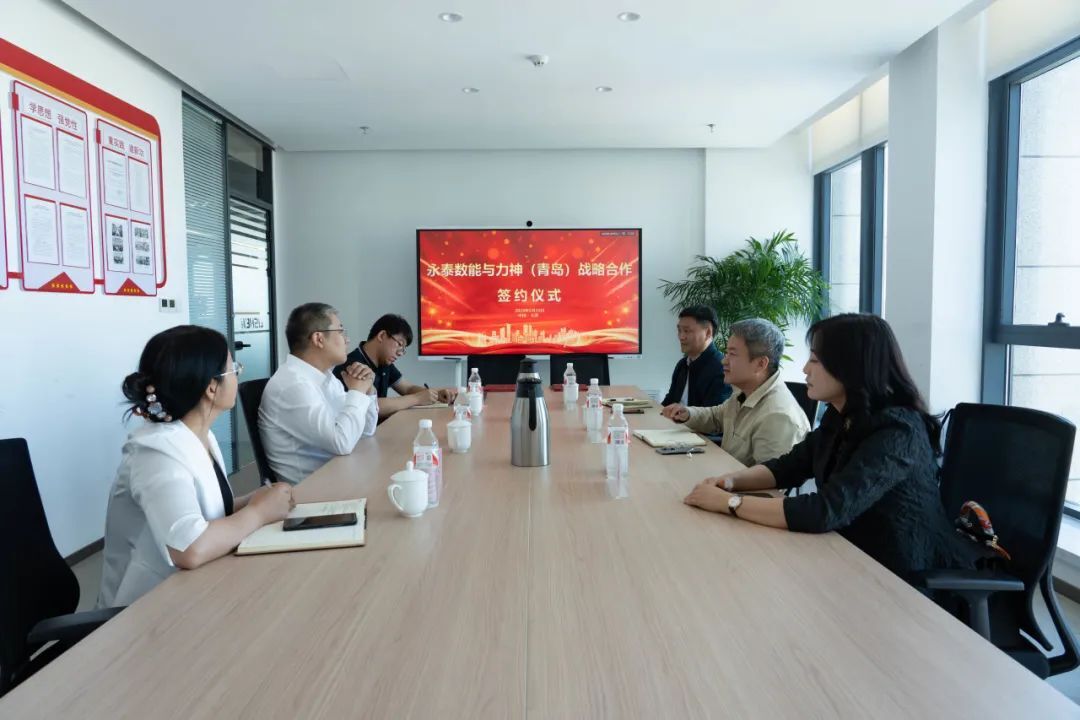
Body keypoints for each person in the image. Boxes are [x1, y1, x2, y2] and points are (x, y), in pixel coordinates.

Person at [683, 313, 976, 581]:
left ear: (850, 367)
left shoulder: (897, 431)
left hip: (901, 576)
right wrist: (729, 482)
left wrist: (729, 503)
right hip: (846, 556)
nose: (804, 369)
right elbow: (788, 467)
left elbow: (826, 509)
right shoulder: (841, 415)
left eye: (815, 360)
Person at [99, 326, 294, 607]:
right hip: (145, 610)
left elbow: (204, 509)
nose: (238, 375)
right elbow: (189, 548)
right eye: (234, 369)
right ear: (212, 387)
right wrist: (259, 513)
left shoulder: (198, 435)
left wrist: (255, 500)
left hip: (194, 589)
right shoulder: (156, 453)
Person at [260, 303, 379, 485]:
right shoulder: (293, 385)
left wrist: (368, 390)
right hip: (314, 493)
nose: (347, 340)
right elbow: (342, 442)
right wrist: (357, 392)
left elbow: (365, 431)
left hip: (339, 476)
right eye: (341, 331)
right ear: (319, 339)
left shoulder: (327, 377)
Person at [664, 318, 809, 466]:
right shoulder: (744, 391)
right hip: (725, 471)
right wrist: (688, 413)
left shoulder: (779, 418)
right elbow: (716, 417)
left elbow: (768, 478)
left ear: (760, 364)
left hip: (731, 479)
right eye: (726, 353)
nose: (723, 361)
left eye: (732, 354)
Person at [335, 313, 457, 422]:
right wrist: (417, 398)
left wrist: (436, 395)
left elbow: (408, 388)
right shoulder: (353, 365)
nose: (400, 353)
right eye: (400, 344)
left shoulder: (384, 363)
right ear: (382, 335)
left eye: (403, 349)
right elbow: (372, 406)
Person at [659, 305, 731, 414]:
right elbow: (669, 402)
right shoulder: (682, 364)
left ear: (708, 333)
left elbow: (713, 419)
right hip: (672, 423)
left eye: (687, 331)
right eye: (679, 330)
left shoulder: (721, 369)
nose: (681, 337)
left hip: (693, 425)